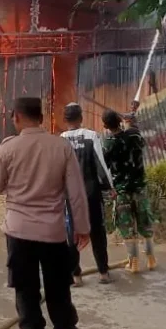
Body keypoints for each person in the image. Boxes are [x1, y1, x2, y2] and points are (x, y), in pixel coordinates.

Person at [0, 97, 91, 329]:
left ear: (17, 117)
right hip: (54, 233)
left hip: (19, 233)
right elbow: (76, 193)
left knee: (27, 293)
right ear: (41, 117)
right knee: (59, 290)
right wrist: (82, 228)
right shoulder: (61, 146)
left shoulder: (8, 148)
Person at [60, 102, 114, 285]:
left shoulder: (60, 140)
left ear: (65, 119)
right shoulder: (92, 136)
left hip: (70, 197)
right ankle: (103, 273)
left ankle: (76, 276)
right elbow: (101, 165)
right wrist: (110, 187)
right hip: (91, 194)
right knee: (97, 232)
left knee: (71, 234)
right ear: (81, 118)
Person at [101, 109, 155, 274]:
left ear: (105, 125)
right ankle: (151, 259)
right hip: (139, 187)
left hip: (122, 191)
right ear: (120, 120)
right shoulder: (135, 136)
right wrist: (129, 122)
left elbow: (106, 166)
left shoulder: (108, 143)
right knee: (145, 222)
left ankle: (134, 262)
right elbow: (136, 135)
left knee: (127, 226)